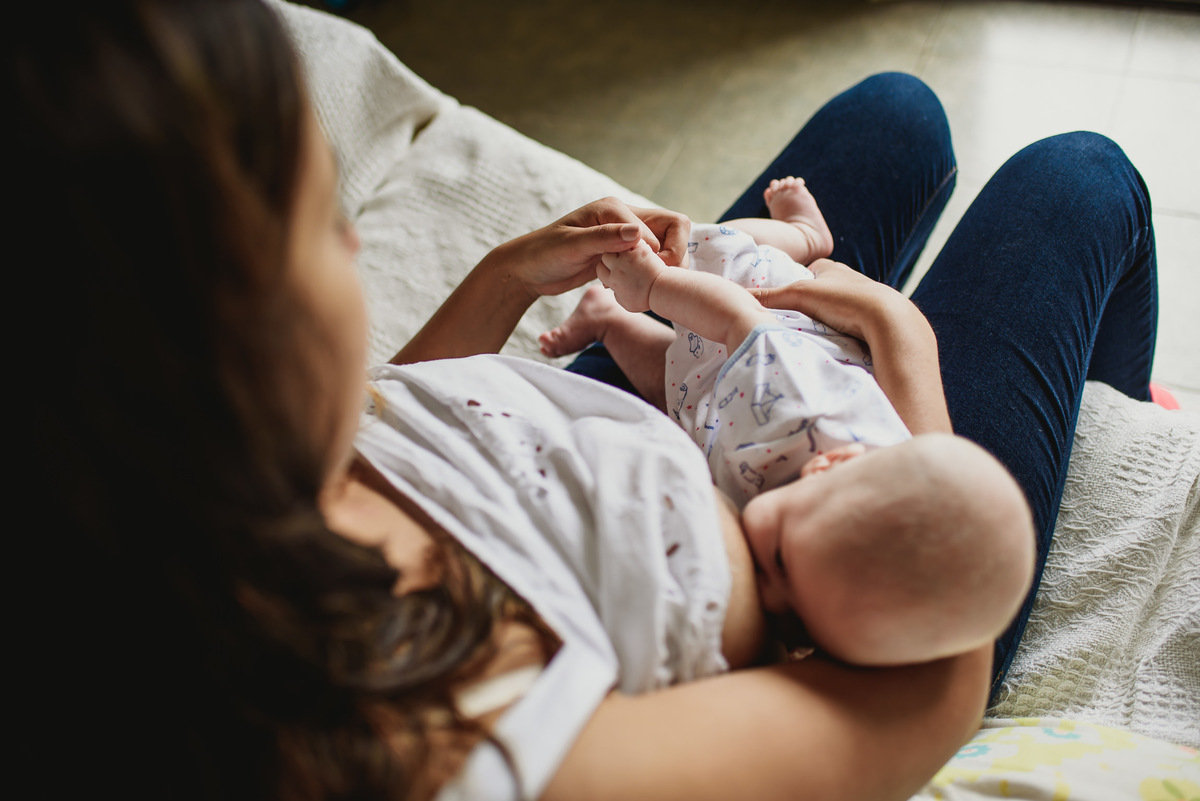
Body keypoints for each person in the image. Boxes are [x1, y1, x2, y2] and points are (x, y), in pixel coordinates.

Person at [16, 2, 1157, 800]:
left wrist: (503, 277)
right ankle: (1113, 418)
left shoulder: (191, 501)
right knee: (1080, 178)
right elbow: (934, 684)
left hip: (637, 420)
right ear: (206, 366)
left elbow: (391, 416)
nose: (360, 240)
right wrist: (907, 385)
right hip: (863, 562)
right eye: (325, 229)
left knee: (894, 115)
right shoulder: (467, 754)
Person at [539, 178, 1035, 666]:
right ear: (827, 467)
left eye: (797, 619)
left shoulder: (830, 556)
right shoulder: (803, 411)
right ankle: (805, 234)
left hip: (714, 409)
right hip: (762, 328)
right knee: (712, 250)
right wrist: (653, 287)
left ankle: (605, 319)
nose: (768, 597)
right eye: (778, 563)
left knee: (674, 391)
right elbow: (738, 318)